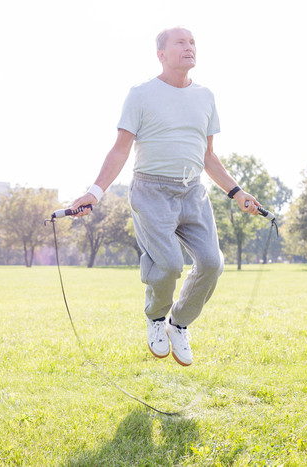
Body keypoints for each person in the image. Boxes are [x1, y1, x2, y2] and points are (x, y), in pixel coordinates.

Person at [69, 27, 261, 366]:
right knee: (170, 264)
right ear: (161, 54)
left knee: (213, 263)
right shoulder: (141, 94)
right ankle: (156, 318)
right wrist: (94, 192)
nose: (189, 47)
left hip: (194, 192)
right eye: (180, 42)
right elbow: (119, 150)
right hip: (151, 190)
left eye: (192, 42)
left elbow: (209, 156)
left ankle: (179, 323)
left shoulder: (206, 97)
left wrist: (237, 192)